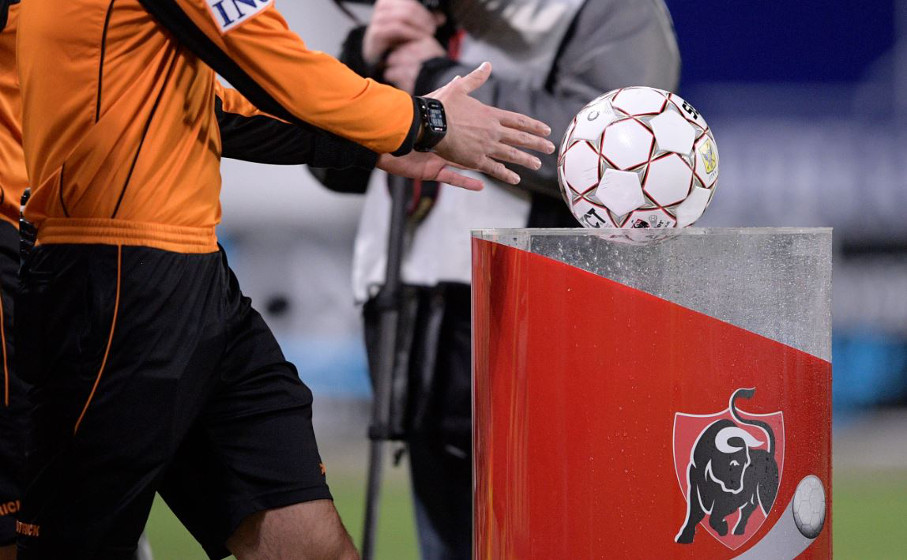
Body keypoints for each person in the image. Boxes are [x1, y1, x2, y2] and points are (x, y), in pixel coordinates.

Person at [12, 0, 554, 558]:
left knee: (312, 548)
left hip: (191, 274)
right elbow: (270, 60)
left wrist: (379, 141)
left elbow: (211, 109)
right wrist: (423, 121)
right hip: (113, 280)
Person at [314, 0, 680, 557]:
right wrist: (365, 63)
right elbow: (330, 168)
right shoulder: (433, 10)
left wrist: (437, 78)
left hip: (544, 332)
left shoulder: (613, 9)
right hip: (417, 331)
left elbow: (624, 161)